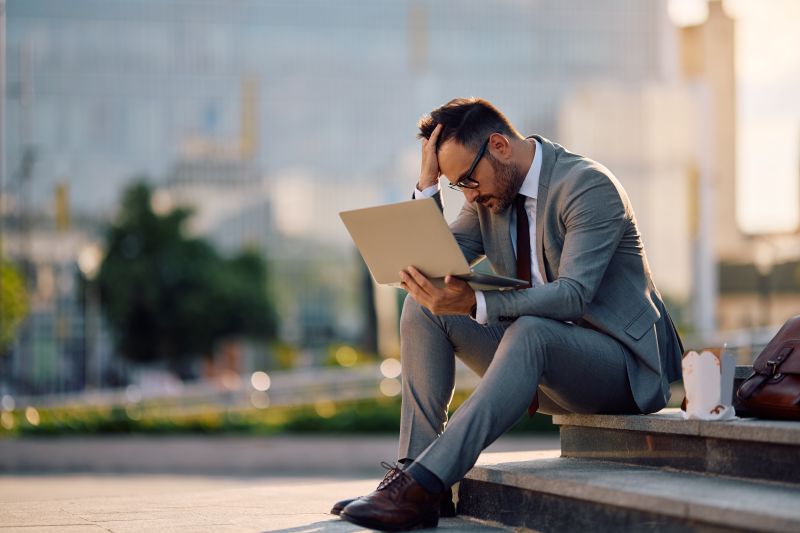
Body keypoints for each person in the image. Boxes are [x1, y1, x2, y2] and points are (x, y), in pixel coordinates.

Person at [334, 97, 683, 531]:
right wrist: (427, 185)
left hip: (621, 369)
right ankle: (417, 480)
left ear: (499, 146)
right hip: (541, 364)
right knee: (423, 308)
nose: (470, 194)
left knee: (531, 332)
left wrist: (478, 304)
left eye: (468, 180)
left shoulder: (587, 186)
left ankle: (425, 480)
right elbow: (432, 264)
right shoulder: (487, 197)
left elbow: (573, 296)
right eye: (458, 186)